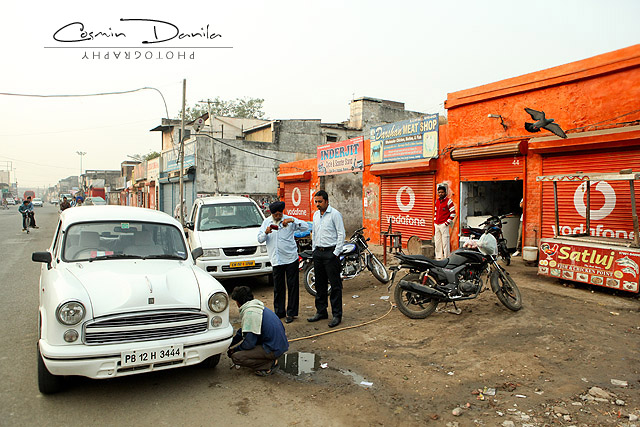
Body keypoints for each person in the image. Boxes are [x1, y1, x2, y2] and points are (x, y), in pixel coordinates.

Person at [257, 201, 309, 324]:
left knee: (292, 286)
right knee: (278, 287)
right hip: (276, 260)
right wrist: (266, 232)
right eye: (275, 214)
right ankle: (279, 312)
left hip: (291, 258)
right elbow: (259, 239)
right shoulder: (266, 222)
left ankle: (291, 313)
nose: (278, 216)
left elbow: (306, 226)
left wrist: (292, 221)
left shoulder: (289, 220)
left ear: (282, 212)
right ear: (272, 214)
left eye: (280, 214)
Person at [227, 286, 289, 376]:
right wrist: (230, 343)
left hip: (273, 348)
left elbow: (249, 344)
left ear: (238, 302)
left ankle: (268, 365)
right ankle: (268, 359)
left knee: (237, 357)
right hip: (279, 344)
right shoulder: (257, 307)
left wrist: (235, 350)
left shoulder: (250, 313)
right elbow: (243, 331)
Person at [307, 190, 345, 328]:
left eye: (320, 201)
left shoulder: (335, 214)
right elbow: (315, 233)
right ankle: (321, 311)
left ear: (326, 201)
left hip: (331, 254)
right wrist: (314, 250)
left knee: (335, 286)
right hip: (318, 253)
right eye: (316, 201)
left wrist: (336, 253)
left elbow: (341, 233)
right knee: (320, 284)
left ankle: (336, 315)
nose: (317, 204)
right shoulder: (316, 215)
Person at [433, 184, 456, 260]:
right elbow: (435, 211)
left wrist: (446, 223)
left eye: (442, 192)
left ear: (445, 193)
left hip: (444, 225)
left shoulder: (449, 201)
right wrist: (434, 221)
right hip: (437, 224)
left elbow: (453, 213)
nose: (440, 194)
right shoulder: (437, 201)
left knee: (445, 242)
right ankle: (439, 257)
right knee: (437, 242)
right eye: (439, 192)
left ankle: (446, 257)